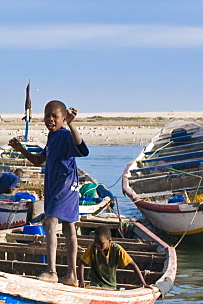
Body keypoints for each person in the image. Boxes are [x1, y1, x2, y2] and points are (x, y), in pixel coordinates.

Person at [8, 100, 88, 285]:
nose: (50, 119)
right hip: (53, 185)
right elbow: (38, 161)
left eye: (55, 116)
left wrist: (72, 124)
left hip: (65, 185)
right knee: (68, 226)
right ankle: (71, 276)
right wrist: (21, 149)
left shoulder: (64, 134)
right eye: (47, 116)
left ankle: (52, 271)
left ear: (63, 118)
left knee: (50, 221)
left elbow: (82, 149)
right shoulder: (52, 137)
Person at [78, 226, 146, 289]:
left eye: (101, 243)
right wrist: (81, 281)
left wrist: (143, 283)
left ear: (109, 241)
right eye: (95, 242)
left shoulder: (117, 250)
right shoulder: (92, 248)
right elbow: (81, 262)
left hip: (110, 286)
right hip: (95, 284)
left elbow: (132, 264)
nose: (97, 245)